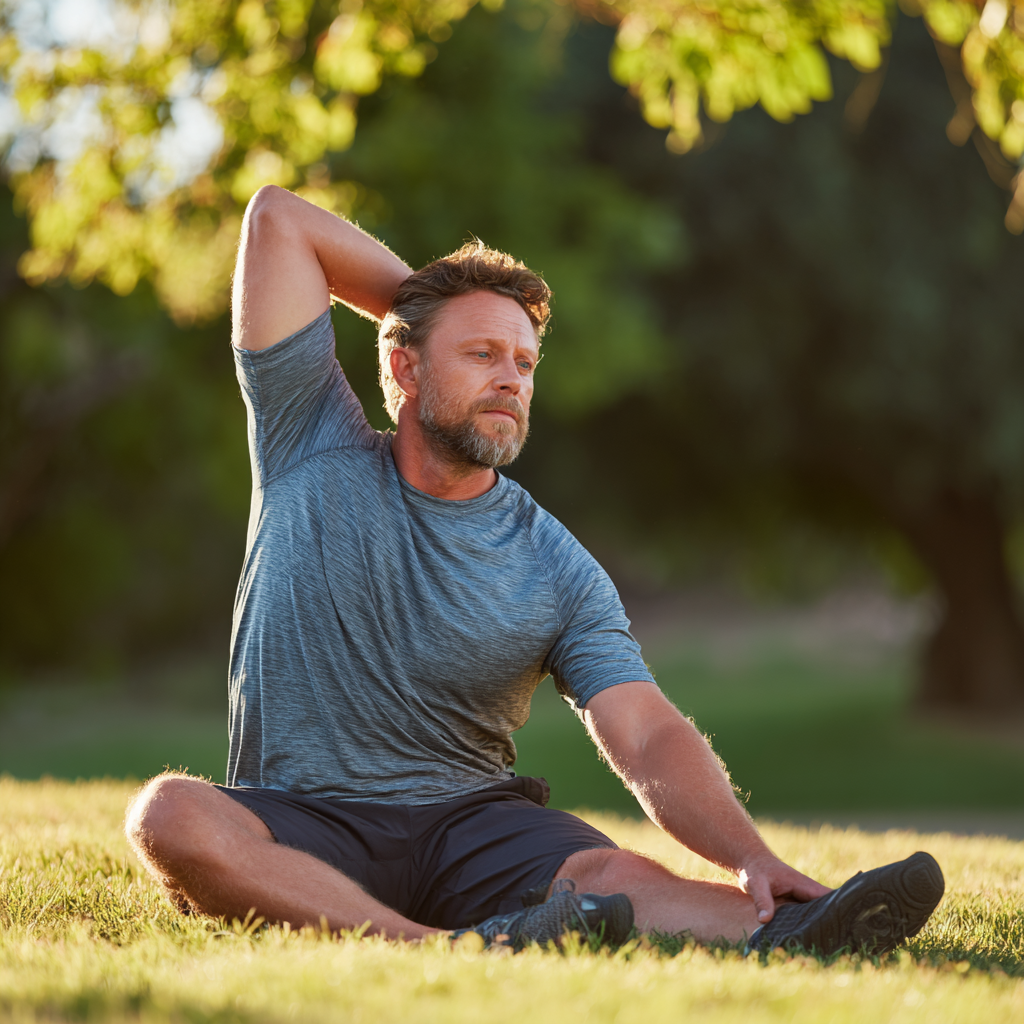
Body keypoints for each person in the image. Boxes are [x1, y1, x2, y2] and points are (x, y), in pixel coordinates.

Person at [125, 186, 944, 953]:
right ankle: (439, 951)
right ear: (405, 370)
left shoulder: (555, 562)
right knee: (170, 814)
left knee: (616, 877)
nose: (511, 379)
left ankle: (796, 929)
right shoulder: (309, 441)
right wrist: (425, 309)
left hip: (472, 827)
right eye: (482, 354)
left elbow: (646, 730)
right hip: (307, 823)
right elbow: (277, 220)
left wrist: (750, 855)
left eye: (523, 362)